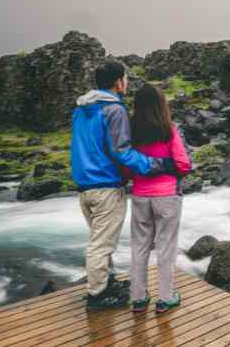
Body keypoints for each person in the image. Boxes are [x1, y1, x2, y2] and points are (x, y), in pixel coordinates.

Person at [71, 62, 176, 309]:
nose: (126, 83)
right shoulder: (114, 110)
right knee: (101, 244)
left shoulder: (80, 109)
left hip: (84, 186)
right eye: (125, 79)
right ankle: (97, 295)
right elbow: (122, 152)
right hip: (106, 186)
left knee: (99, 239)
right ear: (118, 82)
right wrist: (157, 164)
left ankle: (106, 282)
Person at [127, 84, 192, 314]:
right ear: (160, 105)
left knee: (139, 247)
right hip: (167, 196)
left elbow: (127, 163)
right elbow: (184, 164)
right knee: (166, 248)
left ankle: (138, 298)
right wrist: (167, 168)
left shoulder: (130, 131)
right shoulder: (168, 129)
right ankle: (165, 298)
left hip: (140, 196)